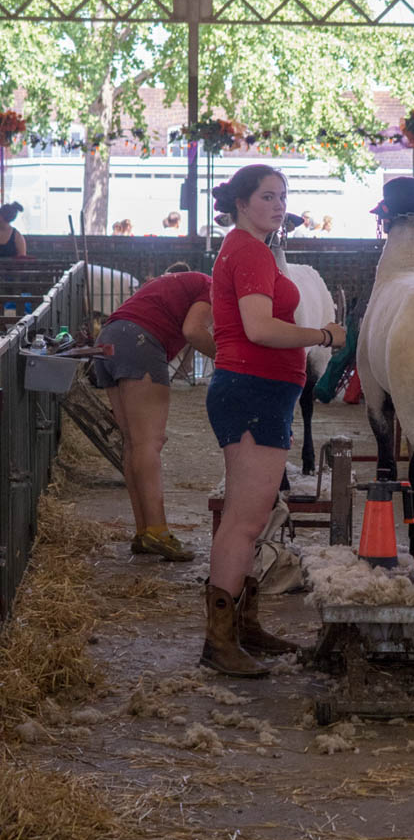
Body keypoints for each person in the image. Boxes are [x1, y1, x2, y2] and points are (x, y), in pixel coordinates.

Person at [203, 164, 346, 677]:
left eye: (283, 197)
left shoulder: (252, 250)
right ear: (242, 203)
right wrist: (323, 337)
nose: (279, 205)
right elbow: (260, 328)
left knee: (255, 514)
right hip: (252, 390)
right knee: (243, 519)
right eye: (267, 197)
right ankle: (219, 641)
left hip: (262, 392)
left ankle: (243, 626)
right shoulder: (247, 251)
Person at [93, 269, 215, 561]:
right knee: (149, 442)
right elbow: (194, 330)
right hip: (139, 341)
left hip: (109, 337)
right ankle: (158, 531)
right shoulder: (212, 286)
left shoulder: (177, 282)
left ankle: (144, 531)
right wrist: (230, 358)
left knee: (133, 442)